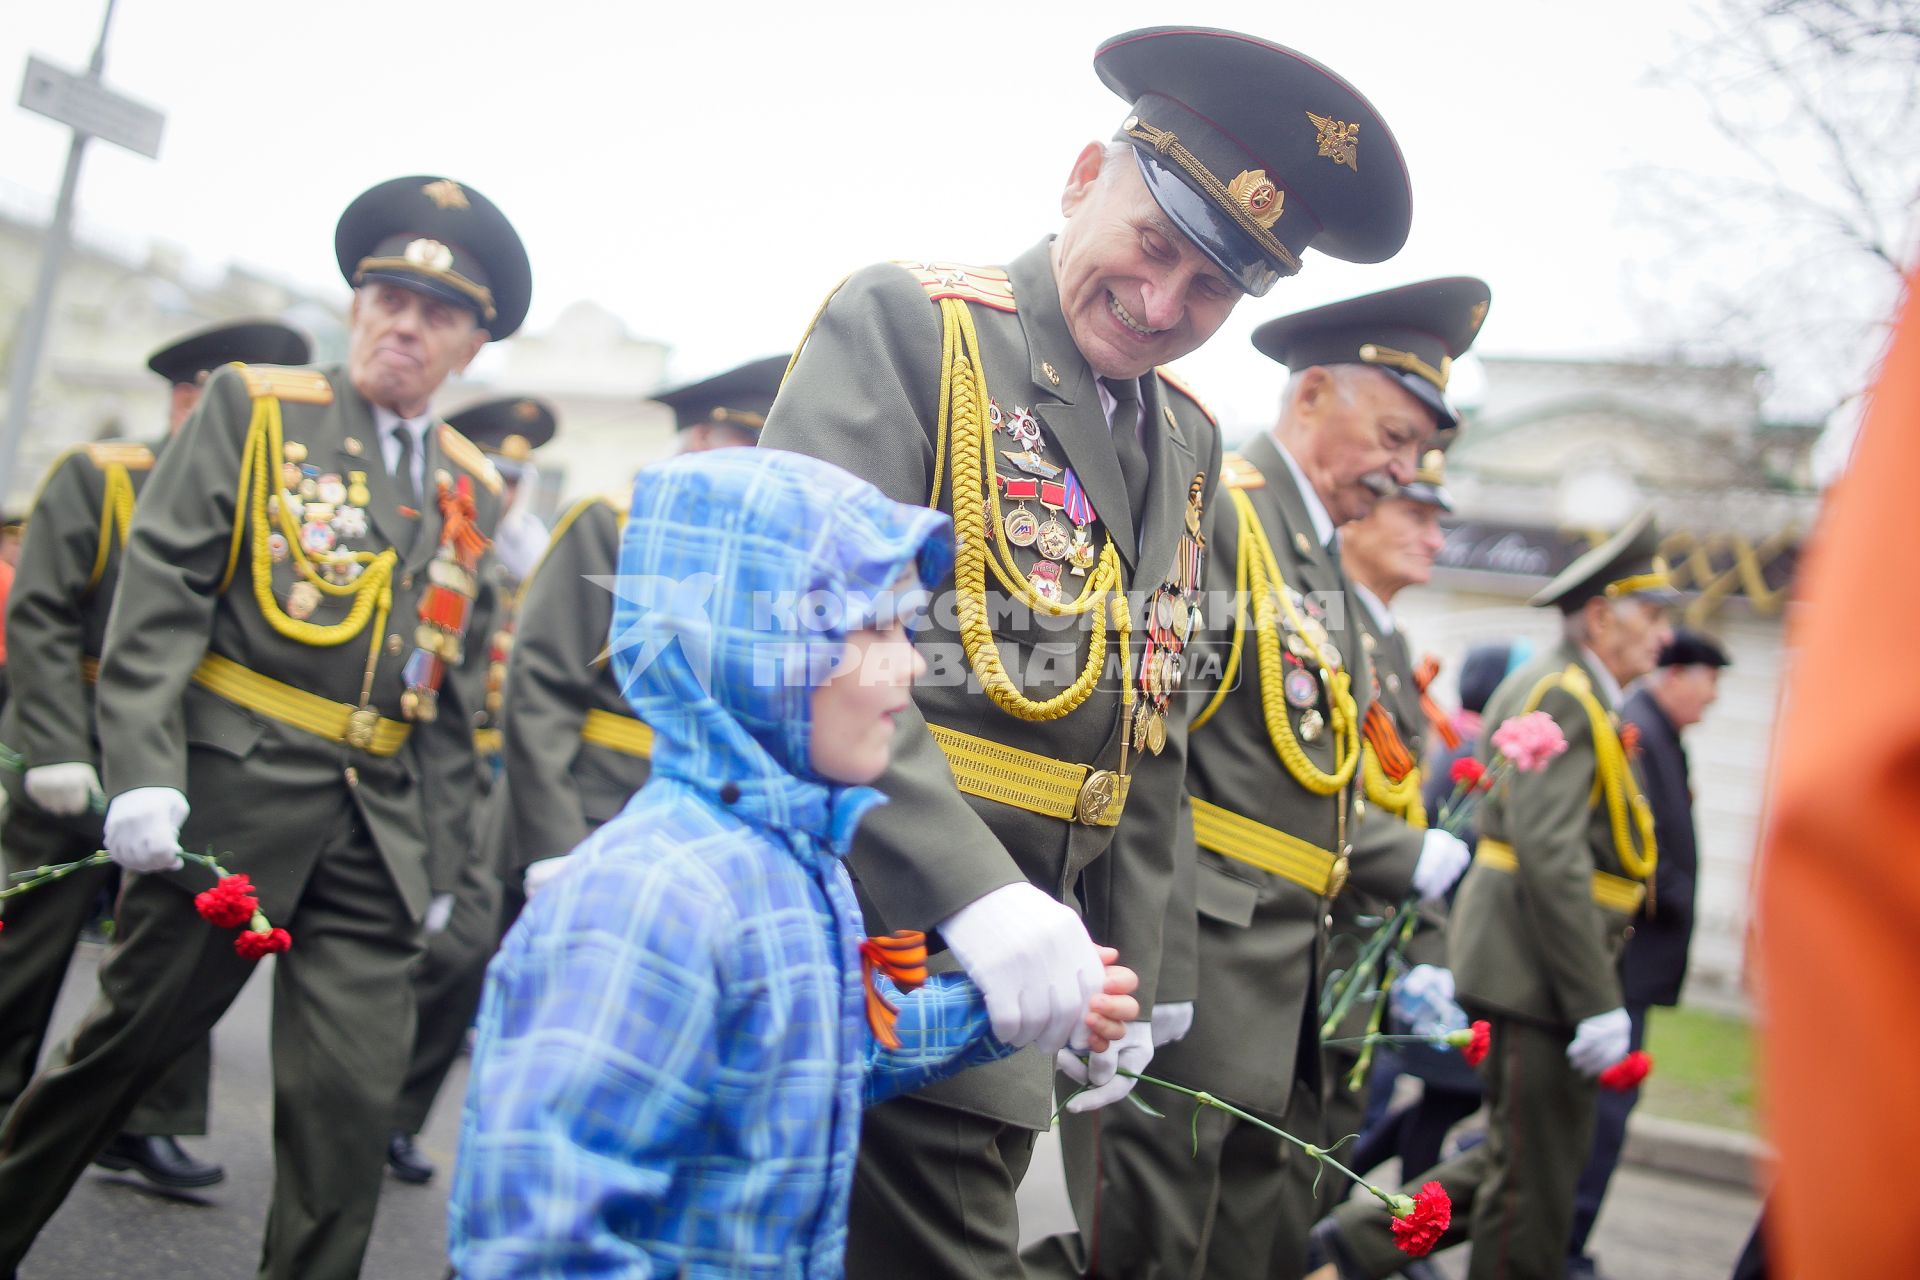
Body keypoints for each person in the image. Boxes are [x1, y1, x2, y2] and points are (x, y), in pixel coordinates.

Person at [761, 25, 1419, 1276]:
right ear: (1081, 179)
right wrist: (979, 890)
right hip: (879, 934)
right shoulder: (918, 326)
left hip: (1040, 977)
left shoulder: (1185, 439)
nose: (1164, 304)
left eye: (1213, 289)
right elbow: (819, 630)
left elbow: (1149, 733)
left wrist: (1150, 974)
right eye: (1154, 245)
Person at [0, 174, 528, 1279]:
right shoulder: (258, 407)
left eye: (437, 314)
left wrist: (437, 856)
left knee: (346, 1109)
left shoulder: (470, 482)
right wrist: (144, 766)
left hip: (376, 832)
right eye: (388, 298)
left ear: (472, 345)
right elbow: (162, 595)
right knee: (121, 1050)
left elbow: (440, 690)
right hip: (233, 800)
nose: (405, 325)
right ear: (355, 309)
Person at [447, 446, 1140, 1278]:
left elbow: (824, 1042)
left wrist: (1004, 1011)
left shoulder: (781, 856)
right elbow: (537, 1245)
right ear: (756, 645)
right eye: (873, 627)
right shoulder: (653, 900)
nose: (913, 663)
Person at [1063, 279, 1482, 1278]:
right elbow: (1146, 743)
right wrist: (1150, 967)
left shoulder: (1319, 557)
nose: (1400, 470)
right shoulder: (1227, 514)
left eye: (1417, 450)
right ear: (1309, 400)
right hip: (1205, 964)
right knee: (1159, 1247)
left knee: (1250, 1246)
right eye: (1389, 436)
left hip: (1292, 970)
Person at [388, 356, 783, 1185]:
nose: (749, 460)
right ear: (697, 438)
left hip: (669, 823)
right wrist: (553, 840)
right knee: (465, 963)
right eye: (738, 440)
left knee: (593, 1028)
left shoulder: (761, 556)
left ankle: (537, 1179)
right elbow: (540, 691)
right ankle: (384, 1113)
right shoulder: (611, 524)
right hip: (564, 803)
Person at [1311, 512, 1676, 1280]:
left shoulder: (1586, 695)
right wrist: (1591, 998)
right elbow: (1549, 853)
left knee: (1530, 1164)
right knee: (1533, 1185)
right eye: (1654, 617)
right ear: (1604, 616)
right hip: (1536, 971)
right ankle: (1346, 1246)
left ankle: (1348, 1248)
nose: (1665, 638)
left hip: (1543, 967)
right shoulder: (1562, 692)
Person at [0, 318, 309, 1191]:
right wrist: (58, 746)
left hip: (188, 747)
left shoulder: (269, 506)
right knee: (29, 939)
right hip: (83, 735)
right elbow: (42, 617)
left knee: (178, 941)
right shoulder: (104, 478)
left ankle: (141, 1121)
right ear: (188, 397)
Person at [387, 394, 558, 1185]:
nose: (509, 489)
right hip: (410, 759)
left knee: (460, 955)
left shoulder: (526, 552)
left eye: (517, 477)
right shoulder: (437, 526)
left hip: (488, 768)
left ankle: (392, 1117)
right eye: (499, 473)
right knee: (414, 946)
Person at [1565, 626, 1728, 1279]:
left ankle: (1566, 1239)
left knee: (1603, 1117)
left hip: (1640, 959)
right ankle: (1563, 1244)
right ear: (1675, 676)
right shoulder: (1641, 730)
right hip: (1625, 956)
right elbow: (1637, 842)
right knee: (1599, 1120)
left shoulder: (1660, 733)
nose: (1713, 698)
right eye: (1708, 681)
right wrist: (1678, 897)